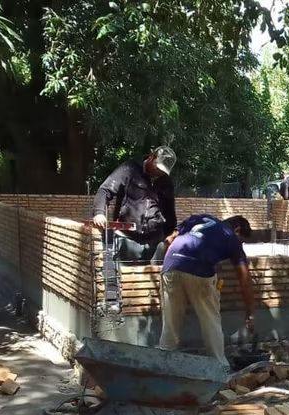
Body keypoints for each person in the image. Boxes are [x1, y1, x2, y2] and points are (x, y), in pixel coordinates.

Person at [159, 214, 256, 369]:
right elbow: (244, 277)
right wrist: (250, 311)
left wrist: (174, 264)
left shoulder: (200, 218)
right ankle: (220, 368)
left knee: (170, 323)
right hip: (200, 270)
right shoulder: (230, 236)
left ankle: (163, 365)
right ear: (237, 229)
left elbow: (168, 241)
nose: (241, 244)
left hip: (170, 266)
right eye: (242, 240)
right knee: (211, 320)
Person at [92, 146, 178, 262]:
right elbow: (105, 190)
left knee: (153, 279)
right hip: (127, 239)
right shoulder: (129, 169)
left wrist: (170, 235)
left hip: (155, 242)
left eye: (162, 172)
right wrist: (99, 213)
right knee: (123, 278)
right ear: (151, 157)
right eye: (157, 168)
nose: (159, 173)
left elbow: (169, 212)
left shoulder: (166, 182)